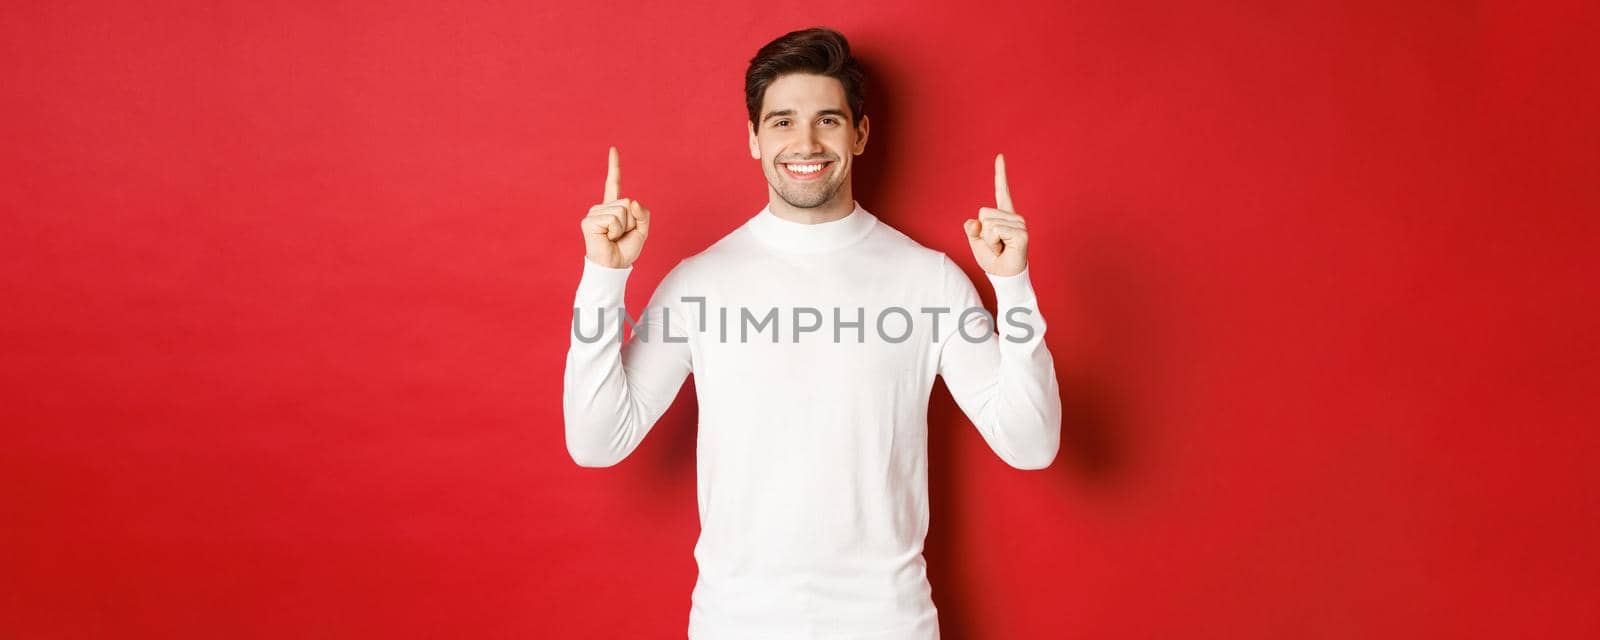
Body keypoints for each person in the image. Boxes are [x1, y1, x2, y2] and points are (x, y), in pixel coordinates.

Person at [563, 25, 1062, 640]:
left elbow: (1032, 445)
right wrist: (601, 281)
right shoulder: (700, 284)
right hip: (734, 624)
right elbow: (596, 441)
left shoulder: (927, 280)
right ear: (752, 138)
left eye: (828, 120)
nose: (805, 141)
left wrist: (1012, 287)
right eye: (781, 122)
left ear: (859, 133)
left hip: (890, 624)